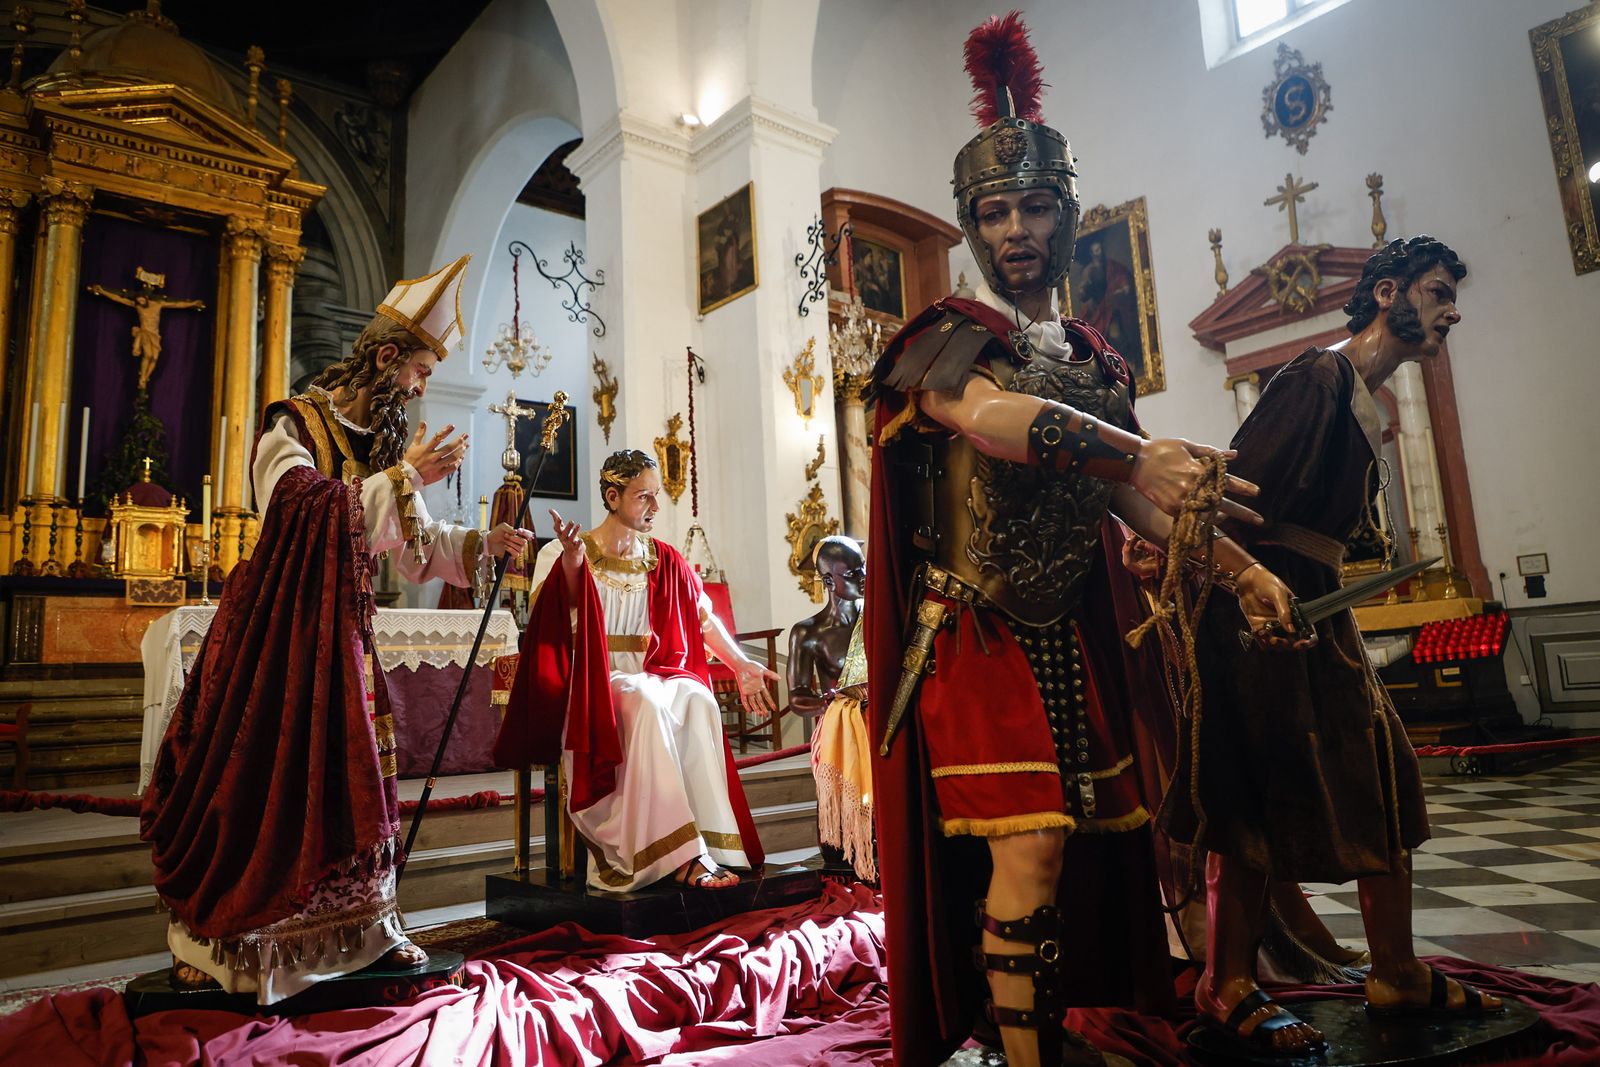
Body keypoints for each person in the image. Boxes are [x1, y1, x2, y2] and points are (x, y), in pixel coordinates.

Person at [867, 14, 1304, 1067]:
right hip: (975, 632)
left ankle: (1041, 1033)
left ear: (1066, 217)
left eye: (1035, 206)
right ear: (973, 225)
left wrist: (1243, 574)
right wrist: (1130, 448)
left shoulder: (1096, 360)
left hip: (1072, 632)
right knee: (1031, 845)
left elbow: (1137, 500)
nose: (1015, 226)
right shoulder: (945, 339)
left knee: (1092, 849)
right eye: (995, 209)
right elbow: (989, 421)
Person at [140, 254, 536, 1004]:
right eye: (418, 372)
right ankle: (228, 942)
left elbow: (409, 538)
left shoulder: (382, 449)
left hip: (345, 637)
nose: (420, 389)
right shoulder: (293, 423)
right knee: (262, 783)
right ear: (385, 357)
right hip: (276, 638)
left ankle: (355, 934)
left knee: (353, 779)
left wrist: (481, 546)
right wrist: (406, 478)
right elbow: (295, 507)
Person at [1163, 236, 1499, 1059]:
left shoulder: (1364, 398)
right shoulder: (1316, 376)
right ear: (1387, 293)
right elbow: (1239, 497)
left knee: (1384, 768)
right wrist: (1249, 598)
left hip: (1318, 607)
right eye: (1437, 290)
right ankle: (1226, 980)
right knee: (1255, 783)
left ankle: (1395, 972)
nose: (1451, 307)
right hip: (1265, 611)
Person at [493, 450, 775, 892]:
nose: (655, 508)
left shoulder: (663, 558)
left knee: (697, 697)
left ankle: (714, 844)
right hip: (591, 684)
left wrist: (740, 664)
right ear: (612, 496)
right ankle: (673, 854)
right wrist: (571, 563)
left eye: (656, 496)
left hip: (652, 673)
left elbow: (701, 617)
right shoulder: (565, 551)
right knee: (642, 699)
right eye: (644, 497)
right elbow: (553, 619)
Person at [787, 536, 873, 879]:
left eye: (864, 567)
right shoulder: (808, 632)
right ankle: (840, 860)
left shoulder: (878, 618)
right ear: (828, 581)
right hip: (839, 730)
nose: (864, 576)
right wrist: (827, 702)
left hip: (880, 723)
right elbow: (796, 696)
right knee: (837, 812)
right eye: (852, 572)